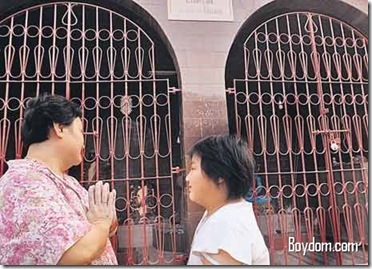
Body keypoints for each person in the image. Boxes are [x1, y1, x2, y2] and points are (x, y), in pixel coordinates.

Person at [0, 94, 118, 265]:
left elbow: (102, 225)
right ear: (59, 128)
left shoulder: (67, 182)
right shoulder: (22, 183)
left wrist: (108, 219)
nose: (84, 142)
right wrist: (101, 223)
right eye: (80, 131)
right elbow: (72, 255)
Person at [186, 134, 270, 265]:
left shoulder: (225, 226)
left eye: (193, 168)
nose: (187, 178)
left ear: (220, 175)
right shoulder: (224, 214)